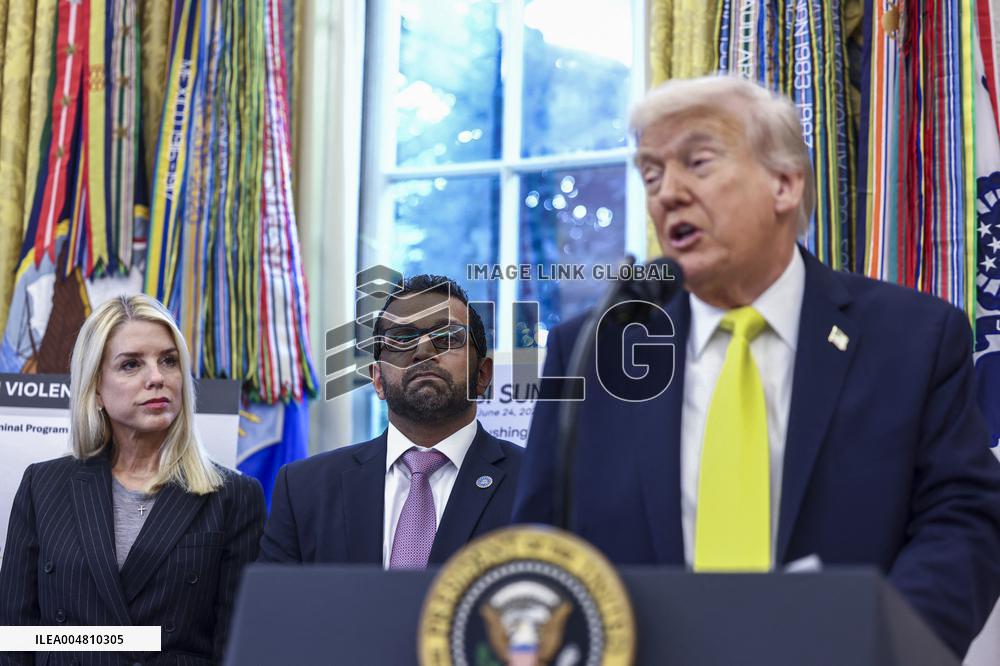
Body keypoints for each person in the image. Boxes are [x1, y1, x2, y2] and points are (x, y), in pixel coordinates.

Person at [511, 75, 1000, 657]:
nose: (668, 192)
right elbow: (540, 543)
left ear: (785, 184)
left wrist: (885, 646)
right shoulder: (595, 349)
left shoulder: (912, 340)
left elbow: (963, 523)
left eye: (698, 161)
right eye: (651, 173)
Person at [0, 294, 265, 665]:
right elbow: (15, 638)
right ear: (95, 389)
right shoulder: (41, 487)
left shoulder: (234, 497)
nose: (156, 377)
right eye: (131, 365)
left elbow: (238, 648)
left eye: (169, 361)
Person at [259, 274, 522, 568]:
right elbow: (276, 611)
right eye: (401, 339)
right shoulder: (303, 489)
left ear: (483, 375)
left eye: (446, 338)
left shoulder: (533, 485)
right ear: (378, 380)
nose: (423, 351)